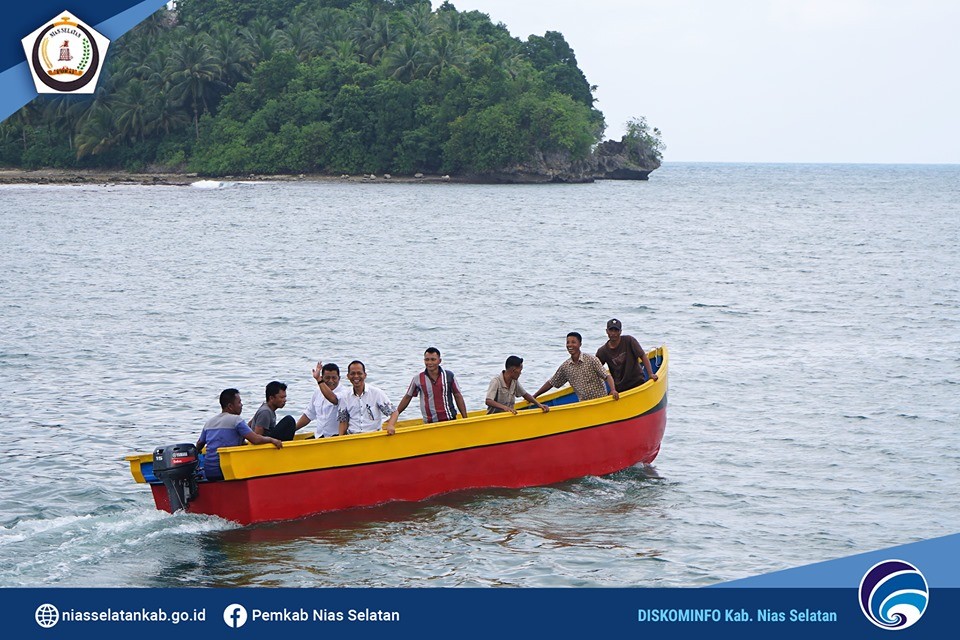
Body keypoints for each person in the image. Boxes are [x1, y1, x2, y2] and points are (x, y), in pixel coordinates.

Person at [196, 388, 282, 481]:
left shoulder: (209, 423)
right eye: (239, 402)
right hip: (225, 471)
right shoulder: (236, 420)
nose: (242, 405)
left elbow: (199, 444)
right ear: (230, 406)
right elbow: (255, 440)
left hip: (209, 471)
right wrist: (272, 440)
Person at [533, 332, 619, 402]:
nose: (570, 345)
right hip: (583, 405)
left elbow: (607, 376)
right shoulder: (566, 366)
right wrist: (535, 395)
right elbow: (551, 382)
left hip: (600, 401)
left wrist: (612, 390)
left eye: (573, 342)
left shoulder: (591, 360)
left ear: (580, 344)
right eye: (568, 342)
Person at [395, 347, 468, 423]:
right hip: (429, 422)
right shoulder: (418, 378)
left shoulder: (449, 376)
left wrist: (465, 419)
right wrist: (395, 415)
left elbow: (457, 395)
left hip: (449, 420)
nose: (429, 363)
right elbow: (407, 397)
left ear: (439, 361)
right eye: (427, 360)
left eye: (433, 359)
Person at [337, 360, 400, 435]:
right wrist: (340, 439)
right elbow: (343, 421)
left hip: (374, 436)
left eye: (359, 373)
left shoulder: (376, 393)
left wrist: (390, 425)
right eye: (352, 374)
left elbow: (394, 413)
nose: (356, 376)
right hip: (353, 437)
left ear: (365, 375)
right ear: (348, 376)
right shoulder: (345, 396)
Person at [596, 318, 658, 392]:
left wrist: (650, 374)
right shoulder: (603, 351)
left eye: (616, 330)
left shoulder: (629, 341)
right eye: (611, 330)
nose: (613, 333)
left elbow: (642, 356)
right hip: (619, 387)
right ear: (607, 331)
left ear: (620, 332)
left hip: (637, 382)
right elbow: (596, 368)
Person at [295, 362, 351, 438]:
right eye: (327, 378)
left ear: (339, 378)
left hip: (337, 437)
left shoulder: (345, 392)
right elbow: (308, 415)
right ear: (322, 378)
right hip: (319, 436)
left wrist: (318, 380)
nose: (331, 381)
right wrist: (292, 430)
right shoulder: (317, 391)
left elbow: (333, 398)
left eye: (334, 378)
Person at [485, 355, 550, 415]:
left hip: (508, 416)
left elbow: (525, 395)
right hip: (495, 417)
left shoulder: (514, 382)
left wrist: (539, 404)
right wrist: (505, 408)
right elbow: (488, 401)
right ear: (513, 370)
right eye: (520, 370)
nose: (520, 373)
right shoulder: (496, 381)